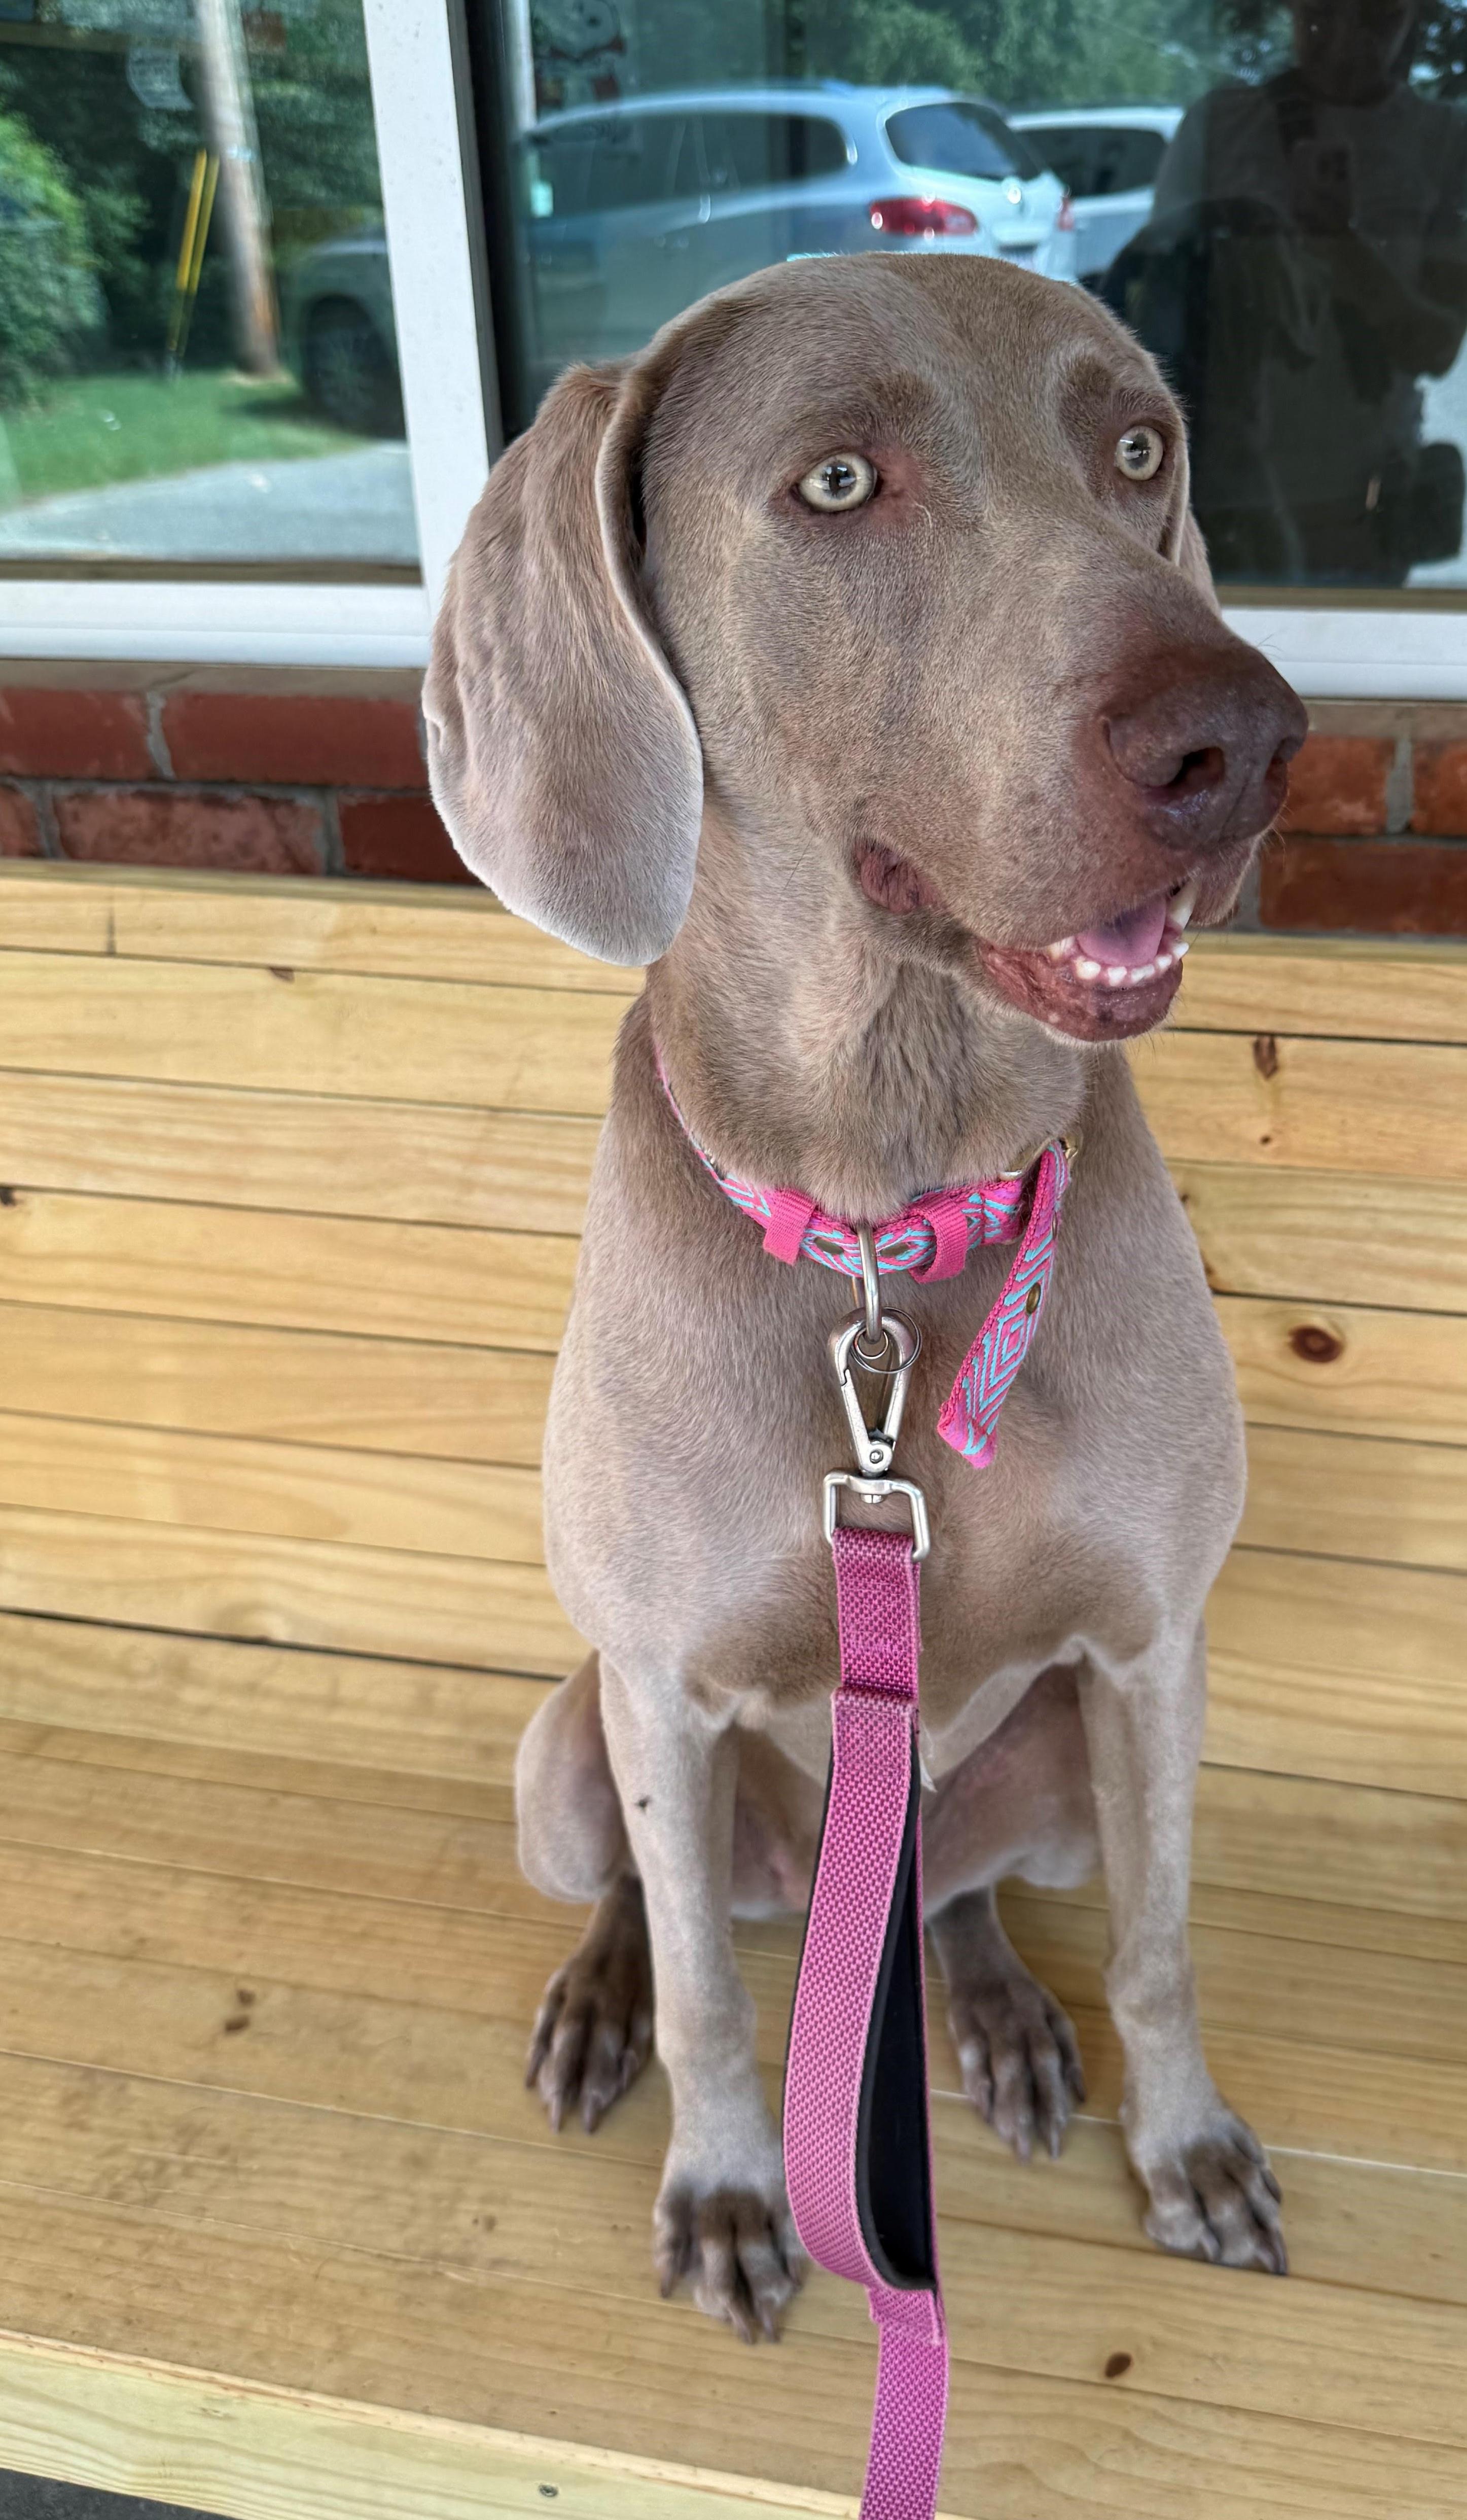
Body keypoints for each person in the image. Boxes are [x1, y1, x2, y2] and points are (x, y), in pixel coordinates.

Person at [1102, 0, 1467, 581]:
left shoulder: (1445, 141)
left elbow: (1436, 345)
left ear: (1413, 18)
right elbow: (1158, 315)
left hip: (1367, 513)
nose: (1348, 40)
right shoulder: (1222, 126)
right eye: (1324, 15)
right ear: (1291, 11)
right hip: (1226, 502)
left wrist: (1335, 241)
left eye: (1376, 18)